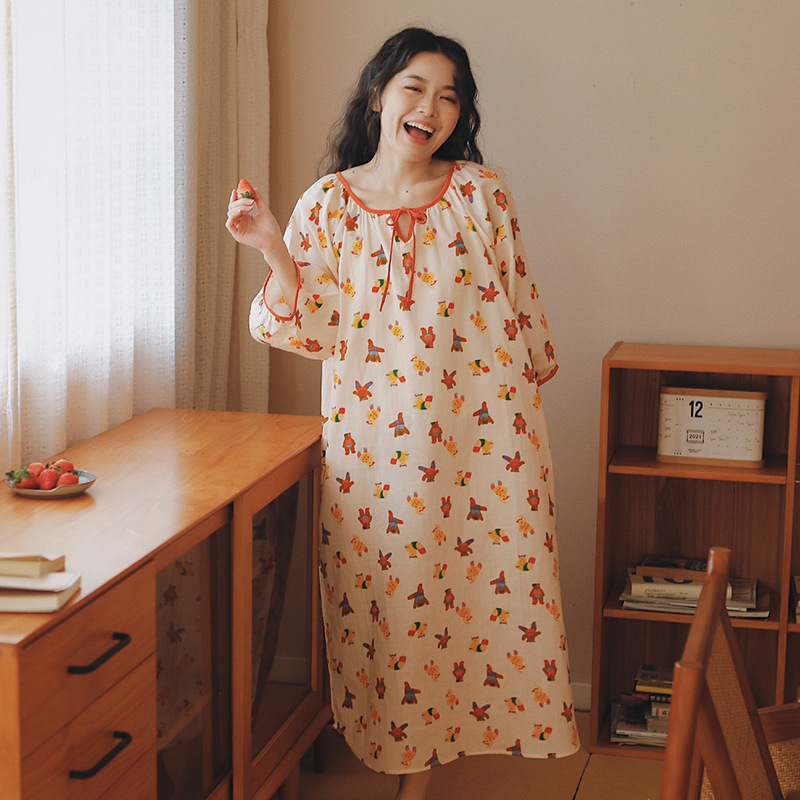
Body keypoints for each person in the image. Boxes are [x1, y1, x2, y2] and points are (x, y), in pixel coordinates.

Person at [226, 26, 579, 800]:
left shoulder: (482, 195)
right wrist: (272, 246)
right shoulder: (328, 204)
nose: (431, 108)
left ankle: (425, 777)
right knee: (398, 608)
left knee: (483, 593)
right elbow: (309, 327)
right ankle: (409, 767)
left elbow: (522, 314)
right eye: (415, 88)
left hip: (487, 444)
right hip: (377, 451)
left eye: (450, 97)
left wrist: (518, 438)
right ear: (379, 94)